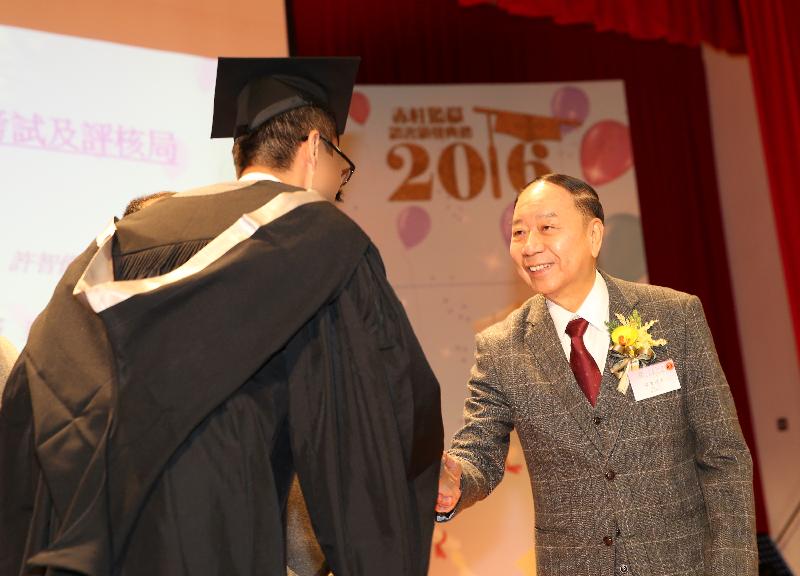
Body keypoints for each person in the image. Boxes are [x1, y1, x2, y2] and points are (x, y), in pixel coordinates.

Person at [0, 57, 443, 576]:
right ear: (315, 149)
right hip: (219, 520)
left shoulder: (119, 238)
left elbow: (32, 394)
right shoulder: (322, 242)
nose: (335, 190)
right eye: (340, 172)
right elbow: (363, 425)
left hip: (95, 534)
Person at [436, 173, 757, 575]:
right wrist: (455, 483)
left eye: (547, 228)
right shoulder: (501, 348)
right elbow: (478, 451)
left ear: (594, 235)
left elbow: (724, 455)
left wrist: (735, 569)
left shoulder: (675, 317)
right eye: (518, 233)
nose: (530, 245)